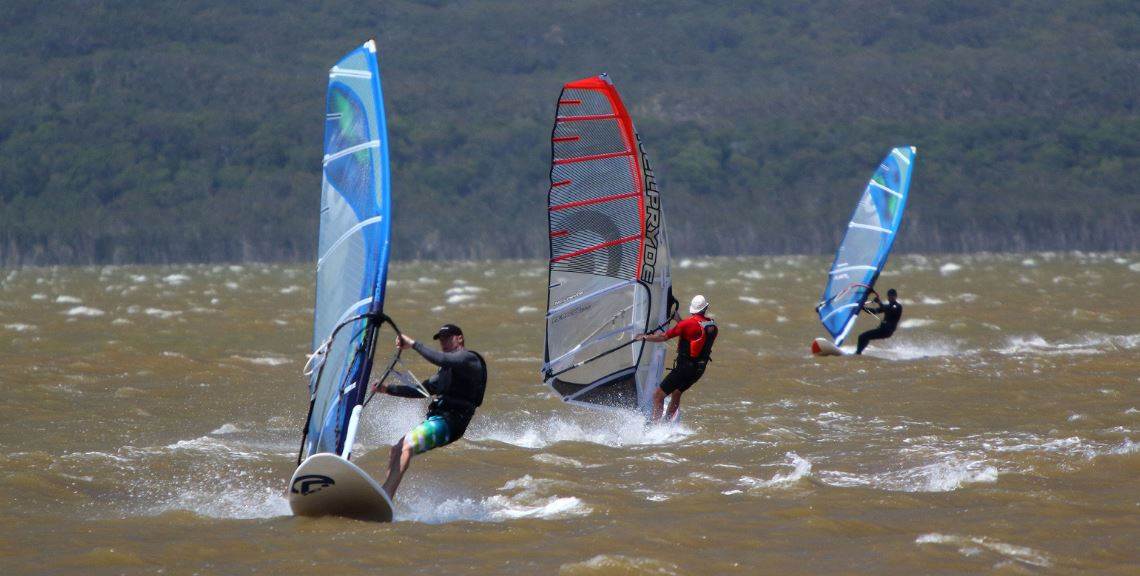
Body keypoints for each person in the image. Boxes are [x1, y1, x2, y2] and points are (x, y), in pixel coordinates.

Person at [371, 323, 487, 498]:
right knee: (396, 449)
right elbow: (421, 390)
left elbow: (442, 359)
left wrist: (413, 344)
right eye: (441, 340)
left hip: (452, 423)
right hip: (439, 419)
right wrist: (388, 389)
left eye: (447, 338)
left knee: (408, 445)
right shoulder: (447, 371)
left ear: (460, 338)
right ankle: (387, 494)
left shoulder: (469, 359)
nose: (443, 342)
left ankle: (385, 493)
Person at [635, 295, 718, 422]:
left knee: (658, 395)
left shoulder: (687, 324)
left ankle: (654, 426)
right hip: (699, 369)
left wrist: (644, 337)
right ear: (705, 308)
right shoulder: (712, 325)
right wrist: (679, 320)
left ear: (692, 309)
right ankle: (666, 424)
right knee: (677, 392)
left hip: (684, 369)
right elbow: (693, 332)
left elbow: (664, 337)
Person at [855, 288, 903, 355]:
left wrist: (879, 303)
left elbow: (889, 310)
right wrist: (862, 307)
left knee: (862, 337)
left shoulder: (897, 306)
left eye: (892, 296)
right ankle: (858, 353)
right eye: (889, 296)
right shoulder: (887, 306)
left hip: (887, 331)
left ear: (895, 297)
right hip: (882, 330)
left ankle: (858, 353)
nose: (890, 298)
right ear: (888, 297)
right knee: (864, 337)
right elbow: (873, 311)